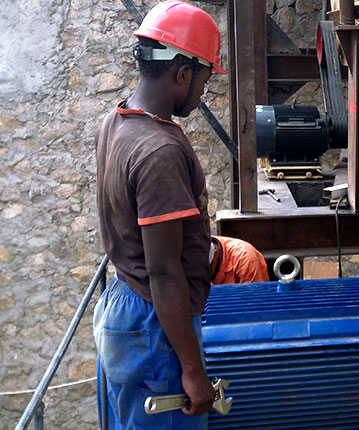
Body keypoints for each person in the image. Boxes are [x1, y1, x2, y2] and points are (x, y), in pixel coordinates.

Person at [93, 1, 227, 428]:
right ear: (182, 73)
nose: (204, 90)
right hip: (156, 324)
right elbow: (164, 272)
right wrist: (192, 370)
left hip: (123, 303)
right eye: (205, 79)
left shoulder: (115, 122)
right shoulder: (159, 152)